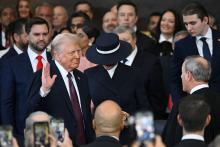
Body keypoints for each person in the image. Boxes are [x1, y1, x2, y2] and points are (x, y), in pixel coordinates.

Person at [27, 33, 95, 146]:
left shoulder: (82, 77)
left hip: (85, 142)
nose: (78, 56)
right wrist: (44, 90)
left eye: (79, 51)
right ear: (57, 55)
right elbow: (30, 109)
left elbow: (85, 112)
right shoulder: (43, 76)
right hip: (57, 142)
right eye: (72, 52)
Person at [84, 32, 150, 145]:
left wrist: (144, 138)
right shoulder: (89, 75)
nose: (107, 62)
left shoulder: (133, 74)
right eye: (104, 58)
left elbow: (144, 109)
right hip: (100, 137)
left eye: (109, 58)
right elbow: (85, 111)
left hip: (129, 135)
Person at [0, 17, 52, 146]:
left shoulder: (55, 60)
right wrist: (8, 138)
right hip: (22, 133)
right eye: (36, 34)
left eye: (45, 34)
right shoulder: (11, 64)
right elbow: (6, 103)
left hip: (54, 131)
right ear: (27, 36)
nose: (41, 38)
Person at [163, 56, 220, 147]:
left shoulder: (182, 105)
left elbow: (169, 140)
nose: (181, 76)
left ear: (188, 75)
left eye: (182, 73)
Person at [113, 25, 167, 119]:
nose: (122, 45)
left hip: (141, 120)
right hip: (114, 119)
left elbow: (157, 98)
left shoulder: (151, 62)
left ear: (135, 40)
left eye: (126, 40)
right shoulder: (110, 61)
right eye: (119, 42)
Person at [170, 2, 220, 102]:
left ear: (205, 20)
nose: (189, 28)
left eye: (193, 23)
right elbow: (175, 80)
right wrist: (180, 105)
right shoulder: (181, 46)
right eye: (186, 24)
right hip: (194, 106)